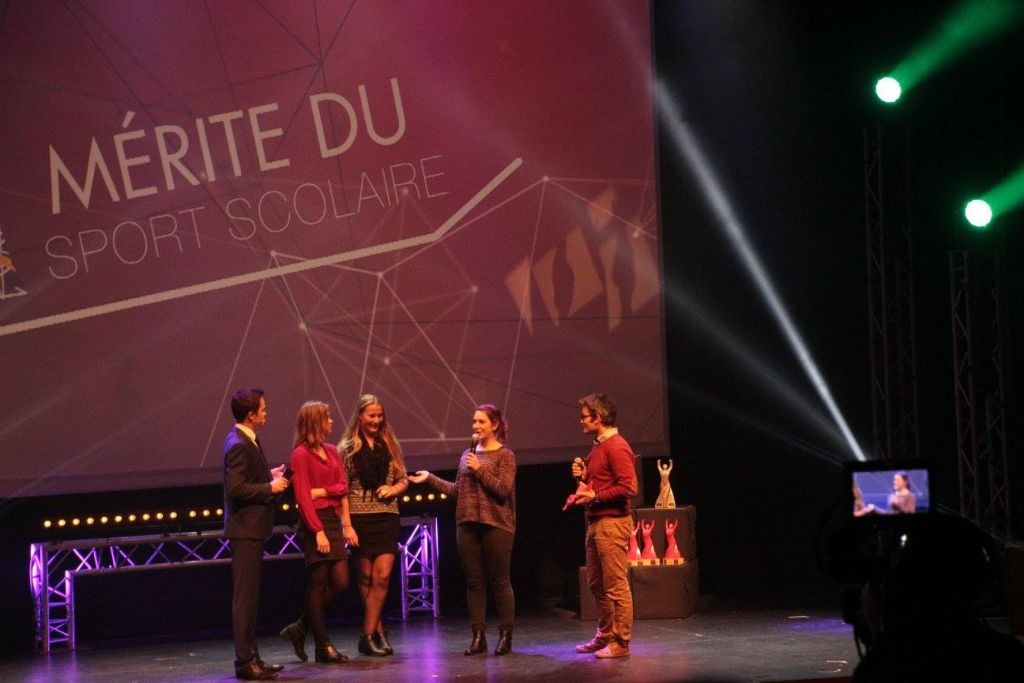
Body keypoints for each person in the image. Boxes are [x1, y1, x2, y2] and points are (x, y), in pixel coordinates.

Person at [409, 404, 516, 656]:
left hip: (496, 524)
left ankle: (506, 636)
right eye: (474, 422)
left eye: (481, 422)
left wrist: (479, 469)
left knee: (500, 582)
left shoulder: (505, 455)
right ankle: (478, 637)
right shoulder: (466, 454)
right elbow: (457, 490)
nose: (475, 426)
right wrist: (430, 478)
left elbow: (503, 490)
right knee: (474, 582)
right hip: (466, 523)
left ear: (494, 425)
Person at [279, 401, 357, 665]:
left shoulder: (332, 451)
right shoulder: (300, 454)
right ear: (315, 422)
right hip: (315, 522)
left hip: (333, 519)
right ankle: (323, 645)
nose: (331, 421)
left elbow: (343, 487)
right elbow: (303, 498)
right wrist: (318, 531)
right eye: (327, 417)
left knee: (341, 582)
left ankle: (301, 627)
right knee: (319, 582)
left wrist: (345, 522)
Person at [222, 388, 290, 680]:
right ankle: (244, 661)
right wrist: (269, 488)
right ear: (251, 415)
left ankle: (253, 657)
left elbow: (246, 477)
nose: (266, 413)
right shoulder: (238, 443)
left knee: (250, 599)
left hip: (252, 529)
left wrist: (267, 476)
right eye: (262, 409)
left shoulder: (246, 438)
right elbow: (236, 488)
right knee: (245, 599)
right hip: (245, 530)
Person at [339, 394, 409, 656]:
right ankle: (378, 633)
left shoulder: (390, 444)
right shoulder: (346, 448)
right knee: (366, 578)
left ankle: (366, 635)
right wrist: (347, 525)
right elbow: (342, 490)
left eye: (380, 416)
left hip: (387, 517)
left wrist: (393, 489)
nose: (376, 420)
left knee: (382, 576)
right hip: (359, 519)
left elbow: (404, 479)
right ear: (360, 417)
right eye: (372, 416)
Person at [571, 393, 637, 659]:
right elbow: (601, 481)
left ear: (597, 418)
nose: (581, 421)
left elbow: (629, 487)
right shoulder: (599, 446)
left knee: (616, 585)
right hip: (597, 522)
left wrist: (595, 496)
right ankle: (606, 635)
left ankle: (621, 642)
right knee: (597, 583)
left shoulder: (616, 446)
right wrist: (584, 475)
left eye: (585, 417)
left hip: (613, 523)